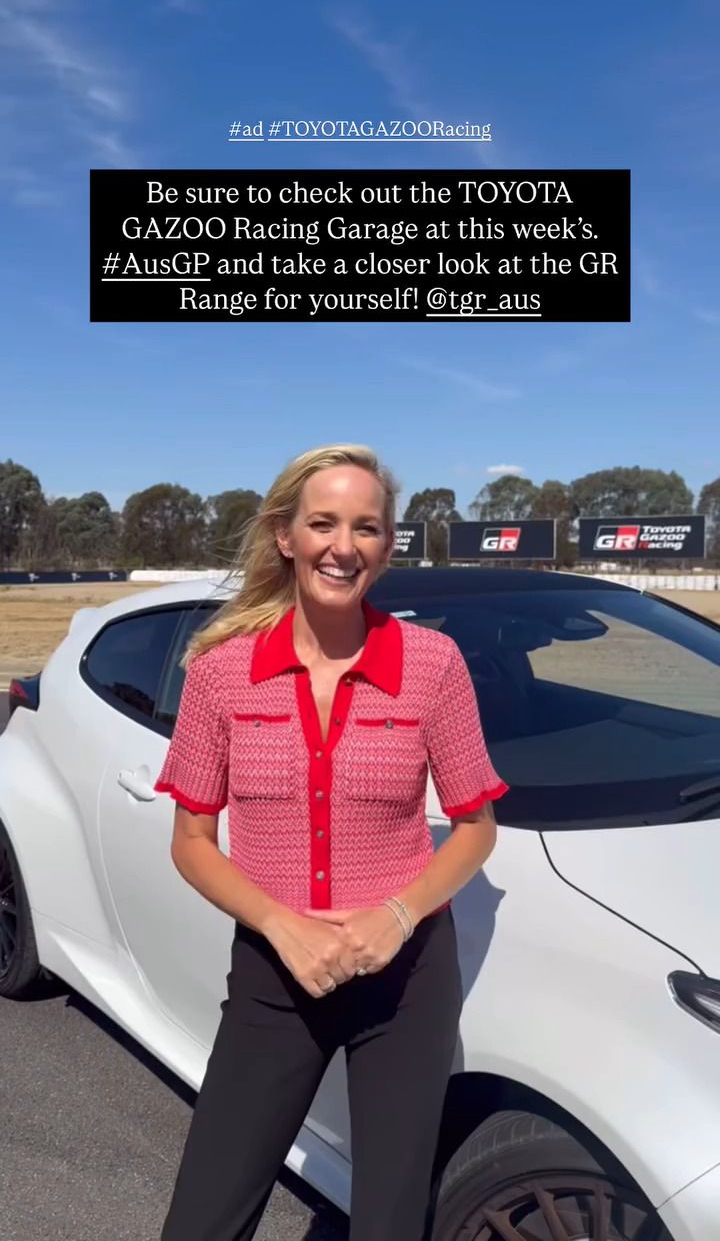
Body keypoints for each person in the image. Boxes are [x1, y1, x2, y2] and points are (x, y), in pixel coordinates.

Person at [154, 443, 508, 1241]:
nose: (344, 546)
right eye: (323, 523)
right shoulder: (221, 671)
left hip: (407, 978)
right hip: (275, 971)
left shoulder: (433, 665)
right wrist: (282, 926)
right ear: (286, 535)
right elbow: (192, 841)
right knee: (203, 1216)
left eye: (366, 527)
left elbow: (476, 828)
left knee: (389, 1220)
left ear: (387, 544)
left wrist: (397, 915)